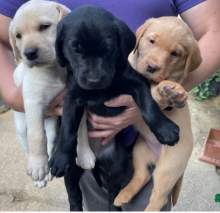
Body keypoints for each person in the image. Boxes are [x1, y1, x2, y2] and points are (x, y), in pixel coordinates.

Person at [0, 0, 220, 211]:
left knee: (151, 200)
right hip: (80, 139)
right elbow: (4, 37)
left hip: (143, 139)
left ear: (124, 44)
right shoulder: (70, 67)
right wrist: (17, 95)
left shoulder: (125, 63)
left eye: (107, 50)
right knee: (86, 194)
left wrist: (158, 102)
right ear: (62, 50)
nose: (94, 76)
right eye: (76, 51)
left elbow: (214, 30)